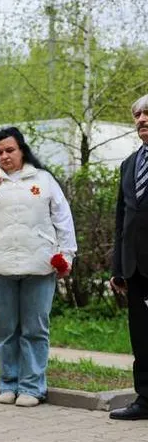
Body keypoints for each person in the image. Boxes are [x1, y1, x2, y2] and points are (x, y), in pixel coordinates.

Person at [0, 127, 76, 407]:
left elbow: (63, 218)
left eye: (10, 150)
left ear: (22, 150)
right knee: (5, 330)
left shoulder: (44, 180)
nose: (4, 156)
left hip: (39, 265)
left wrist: (67, 255)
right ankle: (8, 383)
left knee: (35, 329)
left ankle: (32, 387)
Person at [110, 95, 148, 420]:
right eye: (137, 115)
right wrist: (118, 268)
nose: (142, 120)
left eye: (147, 114)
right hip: (136, 268)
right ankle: (145, 400)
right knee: (142, 338)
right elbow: (121, 220)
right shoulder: (129, 164)